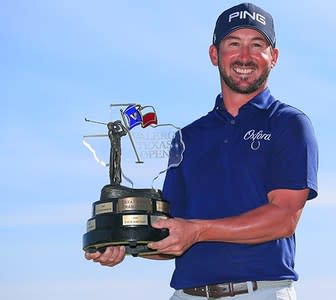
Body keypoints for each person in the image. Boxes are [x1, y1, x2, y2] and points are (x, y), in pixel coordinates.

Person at [85, 3, 318, 299]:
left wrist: (197, 230)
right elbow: (174, 232)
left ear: (273, 57)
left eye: (257, 44)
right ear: (214, 54)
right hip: (187, 293)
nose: (244, 56)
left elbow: (284, 217)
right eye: (234, 44)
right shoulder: (188, 137)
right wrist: (124, 241)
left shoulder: (289, 124)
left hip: (260, 291)